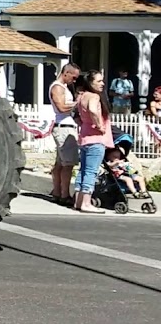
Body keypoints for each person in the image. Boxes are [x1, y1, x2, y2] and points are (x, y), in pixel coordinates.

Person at [72, 69, 113, 213]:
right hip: (96, 138)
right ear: (90, 83)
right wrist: (99, 125)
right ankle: (86, 203)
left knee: (82, 170)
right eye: (99, 81)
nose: (102, 83)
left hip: (84, 137)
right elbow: (93, 110)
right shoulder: (94, 97)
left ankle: (78, 201)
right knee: (91, 171)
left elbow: (76, 116)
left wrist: (86, 124)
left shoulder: (81, 96)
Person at [49, 63, 80, 208]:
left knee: (60, 163)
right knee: (68, 164)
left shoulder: (64, 88)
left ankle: (57, 191)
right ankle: (64, 194)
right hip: (64, 127)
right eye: (73, 77)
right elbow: (61, 107)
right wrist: (77, 103)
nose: (74, 81)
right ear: (66, 73)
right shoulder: (57, 87)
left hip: (66, 125)